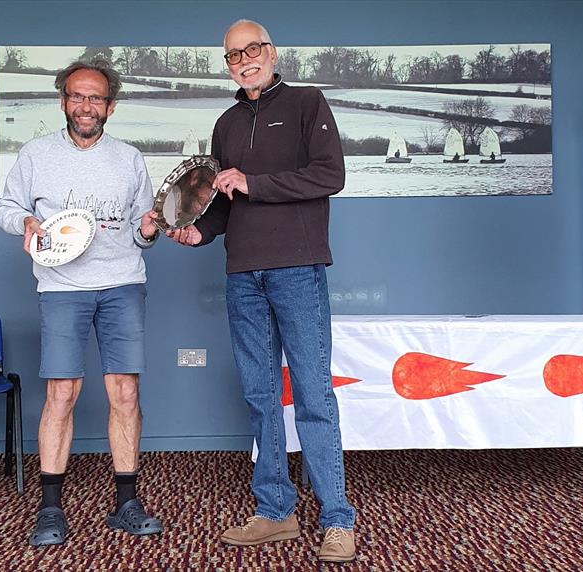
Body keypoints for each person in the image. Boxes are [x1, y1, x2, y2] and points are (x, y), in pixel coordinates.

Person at [167, 19, 356, 563]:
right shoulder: (225, 124)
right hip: (241, 274)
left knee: (314, 395)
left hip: (297, 269)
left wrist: (255, 182)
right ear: (227, 64)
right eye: (233, 55)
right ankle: (275, 512)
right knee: (259, 395)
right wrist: (196, 231)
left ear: (272, 53)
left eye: (252, 50)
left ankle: (338, 518)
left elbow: (330, 175)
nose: (244, 60)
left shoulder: (307, 103)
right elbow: (222, 204)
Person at [0, 60, 163, 547]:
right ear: (63, 101)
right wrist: (24, 223)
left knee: (125, 394)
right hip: (60, 286)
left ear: (110, 106)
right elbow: (6, 208)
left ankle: (126, 503)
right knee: (61, 395)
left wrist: (149, 230)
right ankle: (50, 510)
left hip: (123, 283)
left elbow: (141, 229)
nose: (85, 106)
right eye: (76, 96)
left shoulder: (130, 158)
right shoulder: (35, 154)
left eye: (95, 98)